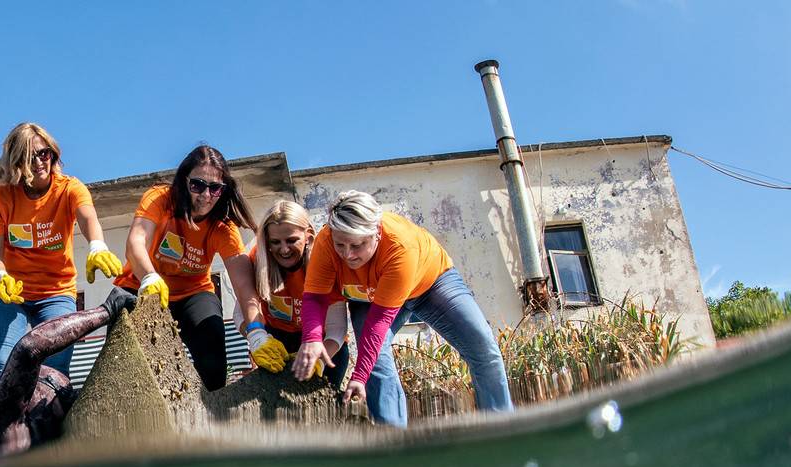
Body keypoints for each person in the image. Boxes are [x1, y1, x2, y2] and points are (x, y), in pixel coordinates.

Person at [291, 190, 512, 427]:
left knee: (482, 344)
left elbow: (378, 324)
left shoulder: (400, 246)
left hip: (431, 285)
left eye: (357, 245)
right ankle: (393, 438)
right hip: (368, 295)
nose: (347, 255)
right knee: (376, 360)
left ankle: (502, 426)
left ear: (376, 232)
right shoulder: (325, 242)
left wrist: (358, 376)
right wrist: (312, 338)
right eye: (340, 245)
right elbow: (314, 298)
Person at [0, 123, 122, 404]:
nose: (39, 162)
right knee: (0, 368)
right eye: (30, 156)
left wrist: (96, 245)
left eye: (44, 153)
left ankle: (48, 441)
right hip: (9, 293)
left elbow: (88, 218)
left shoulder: (69, 188)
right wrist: (1, 277)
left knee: (54, 371)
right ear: (16, 161)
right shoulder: (2, 196)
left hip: (55, 291)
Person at [115, 144, 259, 392]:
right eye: (198, 185)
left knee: (213, 343)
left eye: (215, 188)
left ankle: (213, 416)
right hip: (142, 285)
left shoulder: (223, 229)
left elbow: (244, 285)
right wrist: (149, 277)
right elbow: (136, 242)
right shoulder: (161, 199)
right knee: (125, 354)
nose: (205, 195)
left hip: (192, 292)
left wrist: (257, 332)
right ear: (184, 181)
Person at [0, 287, 137, 456]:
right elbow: (30, 348)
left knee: (4, 371)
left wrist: (108, 313)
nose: (68, 391)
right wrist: (107, 311)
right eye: (61, 389)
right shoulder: (11, 434)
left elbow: (30, 349)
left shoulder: (4, 425)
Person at [233, 199, 349, 386]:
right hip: (277, 341)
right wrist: (258, 339)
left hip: (325, 343)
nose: (284, 249)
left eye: (292, 240)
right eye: (275, 242)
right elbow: (240, 313)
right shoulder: (257, 259)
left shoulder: (327, 262)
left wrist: (318, 358)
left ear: (308, 236)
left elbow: (337, 327)